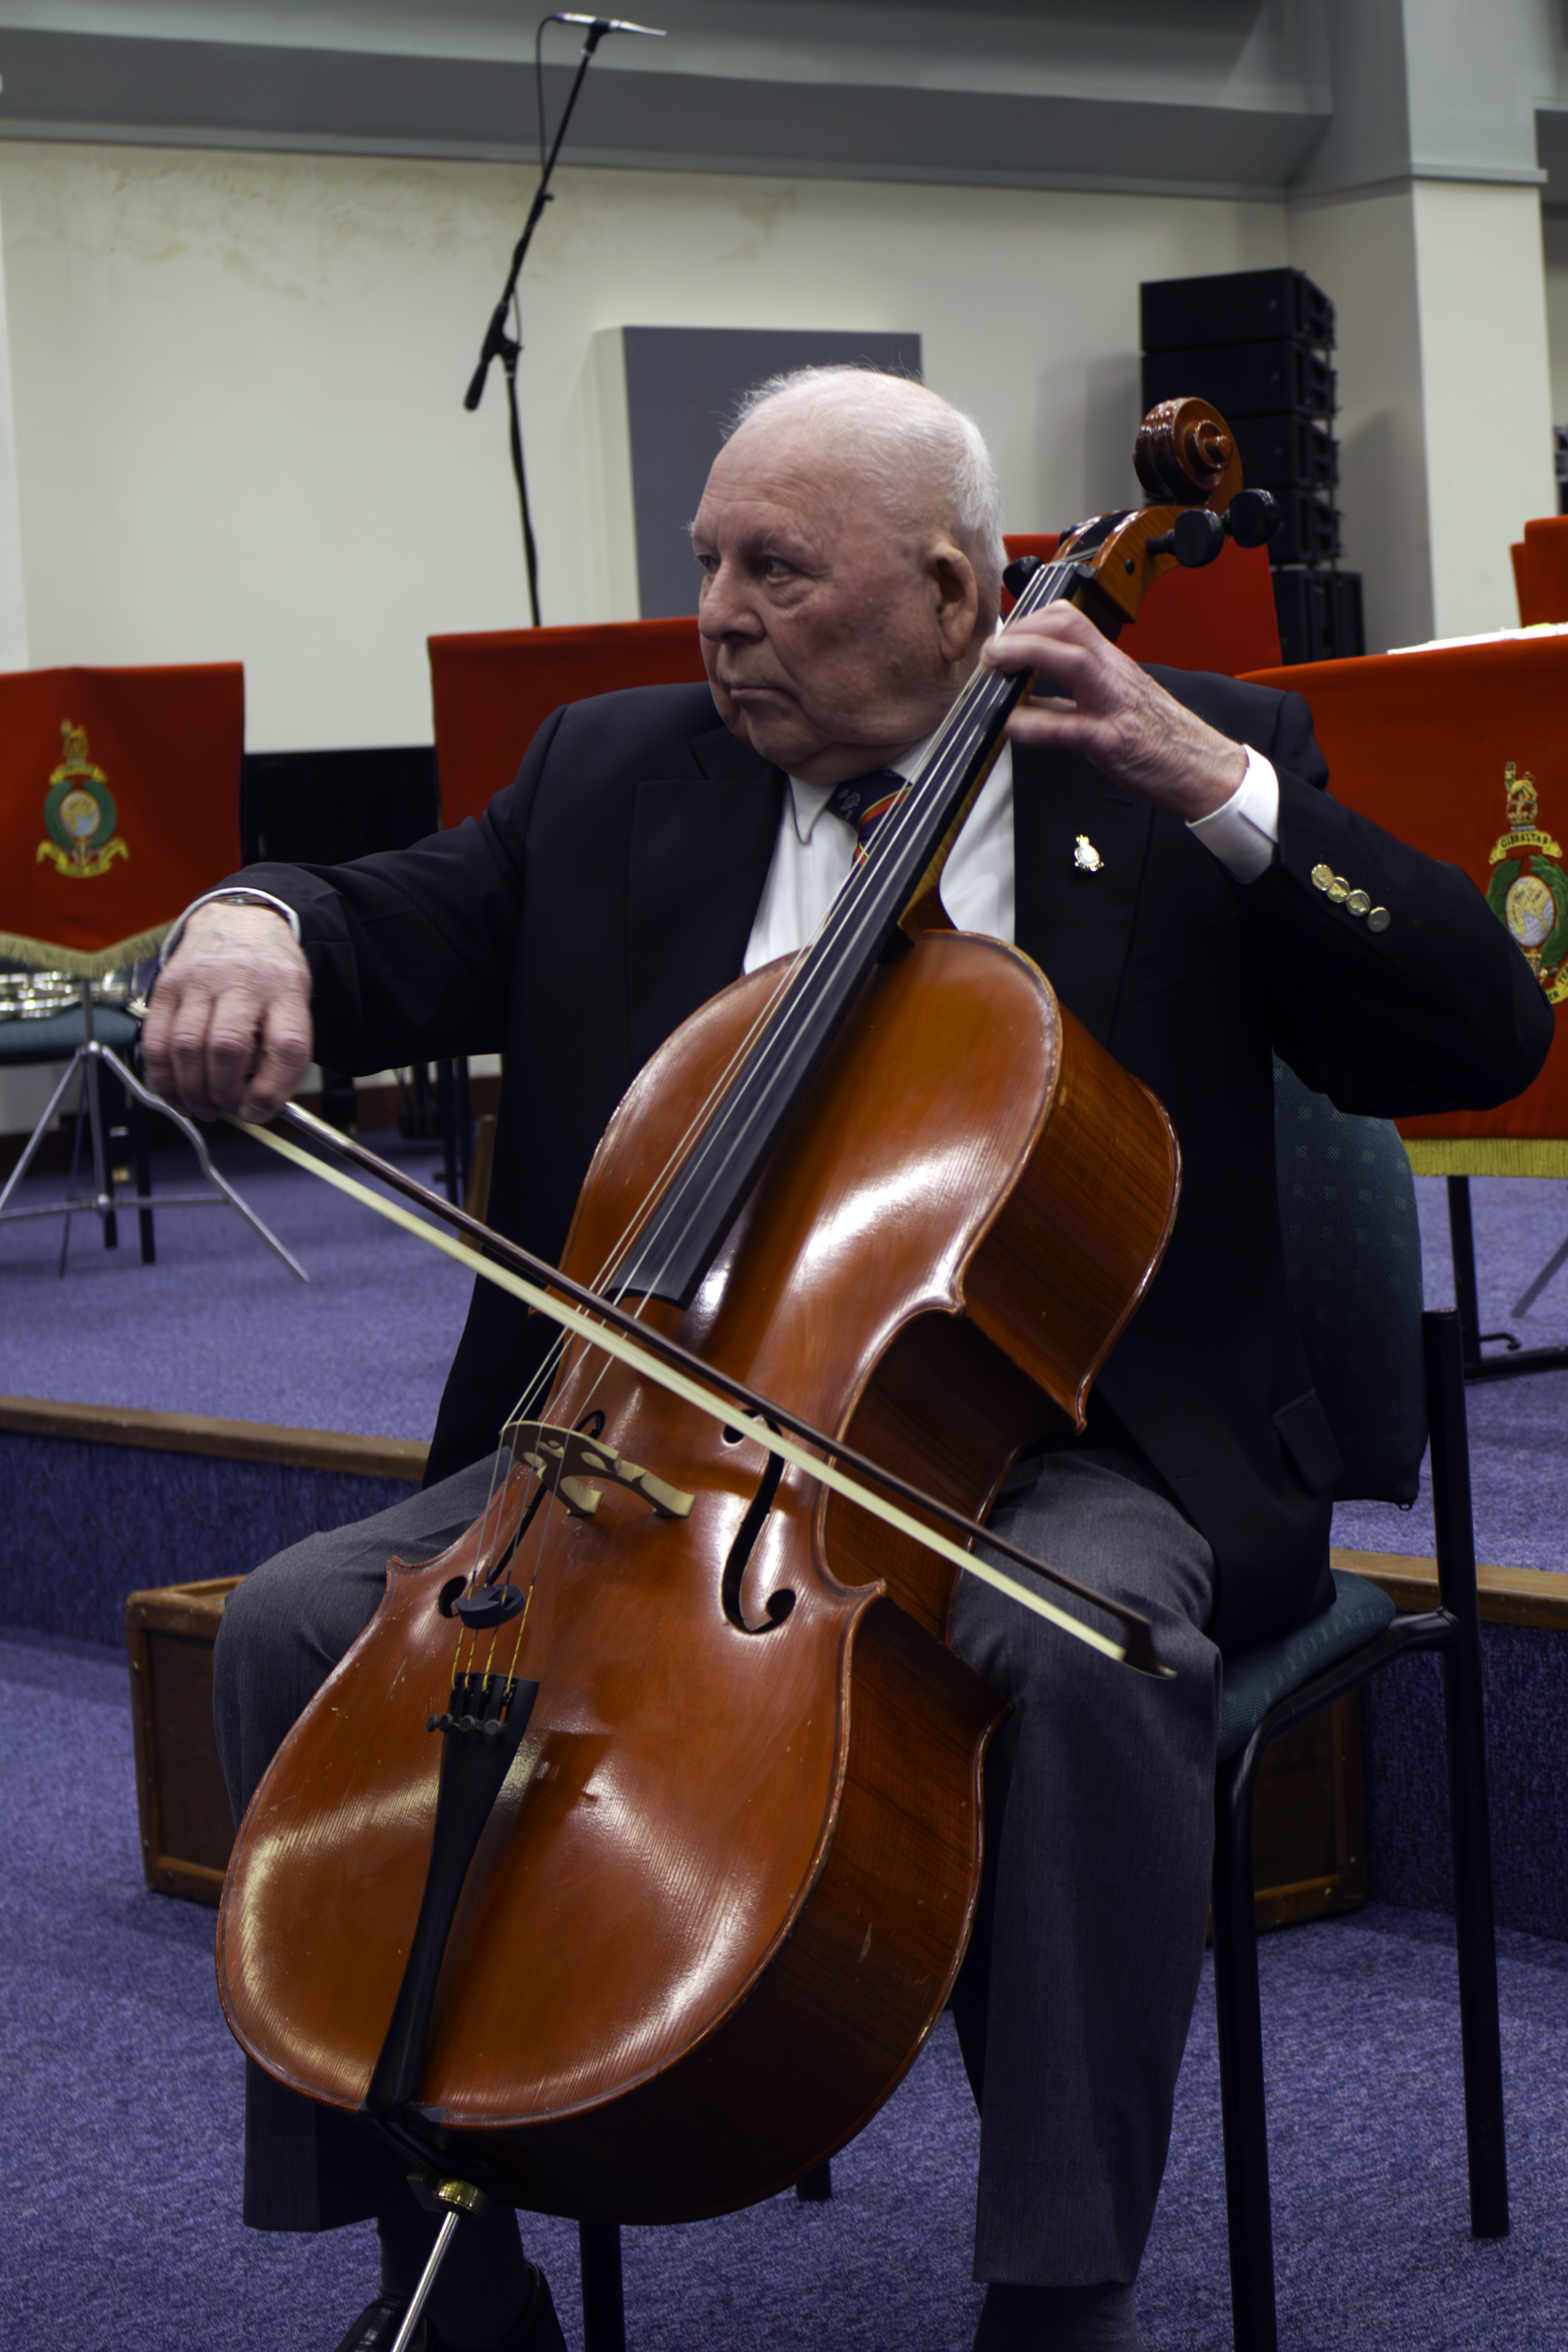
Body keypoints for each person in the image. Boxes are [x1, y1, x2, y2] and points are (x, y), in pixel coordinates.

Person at [144, 368, 1552, 2352]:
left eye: (779, 571)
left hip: (1055, 1432)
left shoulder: (1187, 757)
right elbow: (378, 921)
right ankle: (434, 2258)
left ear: (963, 595)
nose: (719, 610)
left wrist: (1218, 794)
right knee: (301, 1626)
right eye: (709, 560)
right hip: (641, 1425)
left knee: (1086, 1652)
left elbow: (1479, 1025)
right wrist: (251, 913)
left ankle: (1057, 2287)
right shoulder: (612, 772)